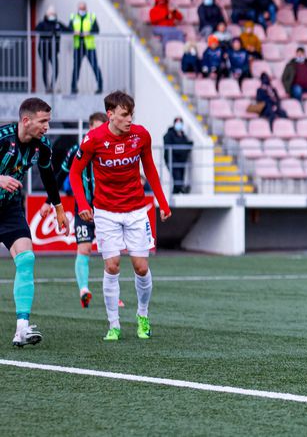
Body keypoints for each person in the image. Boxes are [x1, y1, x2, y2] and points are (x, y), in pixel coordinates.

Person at [69, 91, 171, 341]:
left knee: (141, 266)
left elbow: (150, 168)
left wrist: (162, 201)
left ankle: (143, 316)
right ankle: (113, 324)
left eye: (131, 115)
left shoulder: (141, 135)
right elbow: (74, 173)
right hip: (105, 213)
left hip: (136, 210)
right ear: (110, 114)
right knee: (112, 266)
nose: (129, 120)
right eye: (124, 115)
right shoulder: (93, 139)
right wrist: (83, 204)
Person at [0, 98, 69, 347]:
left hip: (8, 209)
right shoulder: (3, 137)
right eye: (43, 121)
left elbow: (48, 176)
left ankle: (22, 328)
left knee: (26, 258)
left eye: (48, 121)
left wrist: (59, 208)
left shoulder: (43, 147)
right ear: (26, 120)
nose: (46, 127)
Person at [40, 112, 107, 309]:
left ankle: (113, 294)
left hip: (108, 209)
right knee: (84, 248)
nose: (98, 132)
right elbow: (60, 175)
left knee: (110, 254)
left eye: (102, 128)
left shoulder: (110, 151)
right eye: (95, 128)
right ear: (89, 129)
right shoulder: (77, 150)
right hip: (84, 209)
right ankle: (84, 290)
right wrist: (47, 202)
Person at [70, 1, 103, 95]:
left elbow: (97, 30)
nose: (82, 10)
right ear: (78, 9)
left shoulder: (91, 17)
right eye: (80, 9)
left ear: (86, 8)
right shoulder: (73, 17)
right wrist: (73, 31)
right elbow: (69, 28)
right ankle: (73, 87)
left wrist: (89, 32)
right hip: (78, 46)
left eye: (83, 8)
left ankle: (100, 86)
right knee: (76, 67)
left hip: (89, 46)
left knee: (95, 66)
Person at [35, 5, 70, 93]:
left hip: (54, 50)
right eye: (50, 13)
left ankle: (51, 86)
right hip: (43, 50)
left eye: (53, 13)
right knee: (45, 68)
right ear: (46, 14)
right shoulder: (42, 23)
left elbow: (68, 29)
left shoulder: (57, 24)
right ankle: (47, 87)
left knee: (56, 69)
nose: (52, 15)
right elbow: (36, 30)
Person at [163, 117, 193, 194]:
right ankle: (183, 190)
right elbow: (169, 146)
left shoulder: (183, 135)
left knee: (180, 180)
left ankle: (176, 193)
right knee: (177, 178)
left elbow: (186, 146)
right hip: (172, 161)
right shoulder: (169, 134)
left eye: (180, 123)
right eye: (177, 122)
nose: (178, 124)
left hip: (181, 161)